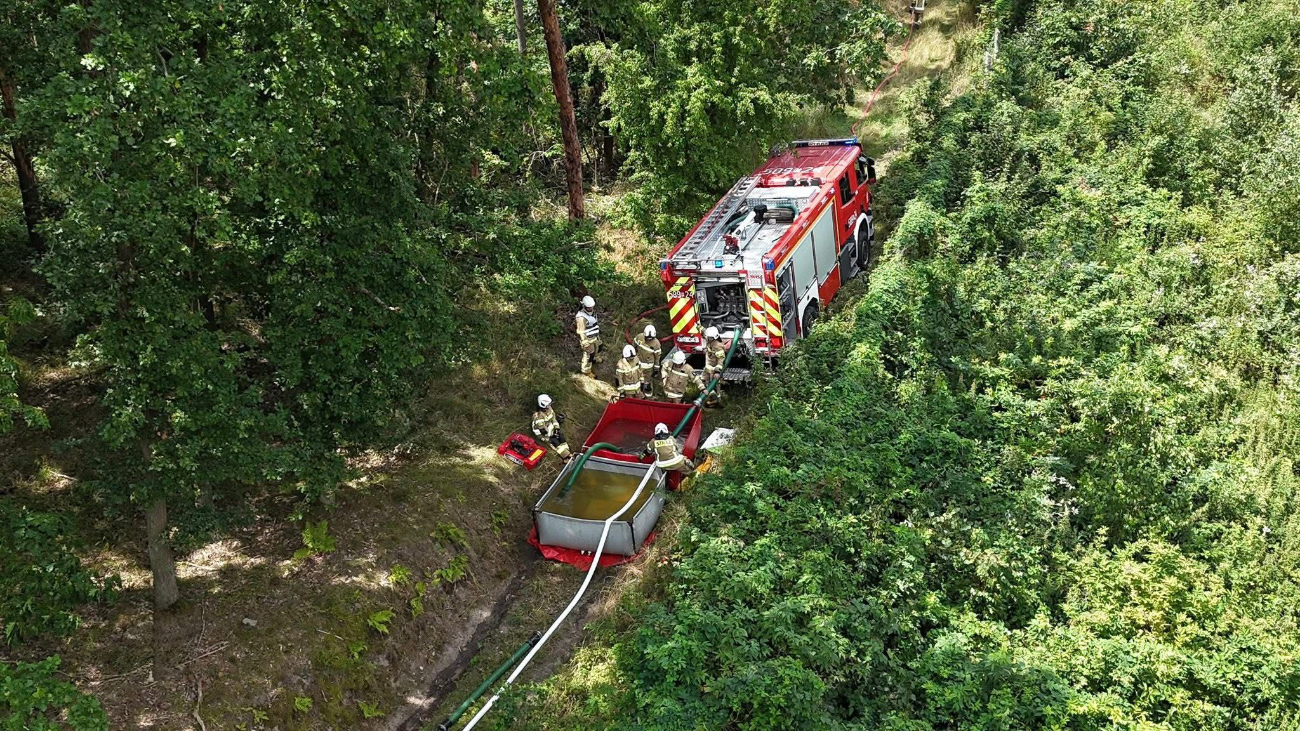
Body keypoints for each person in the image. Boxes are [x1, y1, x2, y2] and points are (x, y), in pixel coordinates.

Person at [531, 394, 571, 459]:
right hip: (542, 434)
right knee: (555, 441)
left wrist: (556, 429)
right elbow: (543, 431)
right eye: (548, 404)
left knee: (561, 437)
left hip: (549, 428)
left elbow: (553, 419)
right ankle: (566, 456)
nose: (550, 406)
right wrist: (552, 435)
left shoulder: (549, 409)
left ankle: (568, 451)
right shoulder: (538, 417)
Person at [575, 295, 602, 376]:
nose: (590, 309)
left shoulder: (592, 312)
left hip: (595, 336)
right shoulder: (581, 317)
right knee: (589, 354)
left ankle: (596, 359)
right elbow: (581, 331)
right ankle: (586, 371)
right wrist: (585, 342)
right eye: (588, 307)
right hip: (588, 338)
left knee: (599, 347)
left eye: (592, 307)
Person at [702, 326, 729, 406]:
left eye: (710, 338)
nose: (708, 339)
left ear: (714, 337)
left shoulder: (718, 346)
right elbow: (703, 332)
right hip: (708, 367)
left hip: (714, 368)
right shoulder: (709, 340)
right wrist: (698, 326)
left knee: (715, 383)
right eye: (708, 337)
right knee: (704, 380)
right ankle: (710, 397)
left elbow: (721, 359)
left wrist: (717, 371)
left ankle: (717, 400)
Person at [633, 324, 663, 396]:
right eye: (647, 337)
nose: (649, 339)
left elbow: (657, 357)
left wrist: (656, 369)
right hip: (638, 363)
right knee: (636, 378)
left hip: (648, 366)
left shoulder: (656, 344)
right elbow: (634, 345)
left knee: (647, 381)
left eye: (651, 338)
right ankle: (638, 394)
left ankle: (648, 395)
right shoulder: (639, 337)